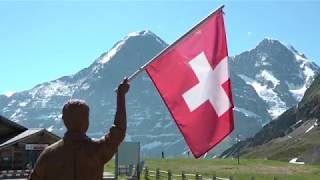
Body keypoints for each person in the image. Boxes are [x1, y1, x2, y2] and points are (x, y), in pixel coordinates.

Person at [29, 79, 130, 180]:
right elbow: (119, 130)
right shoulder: (97, 149)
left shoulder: (48, 154)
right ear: (87, 122)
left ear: (64, 120)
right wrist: (120, 96)